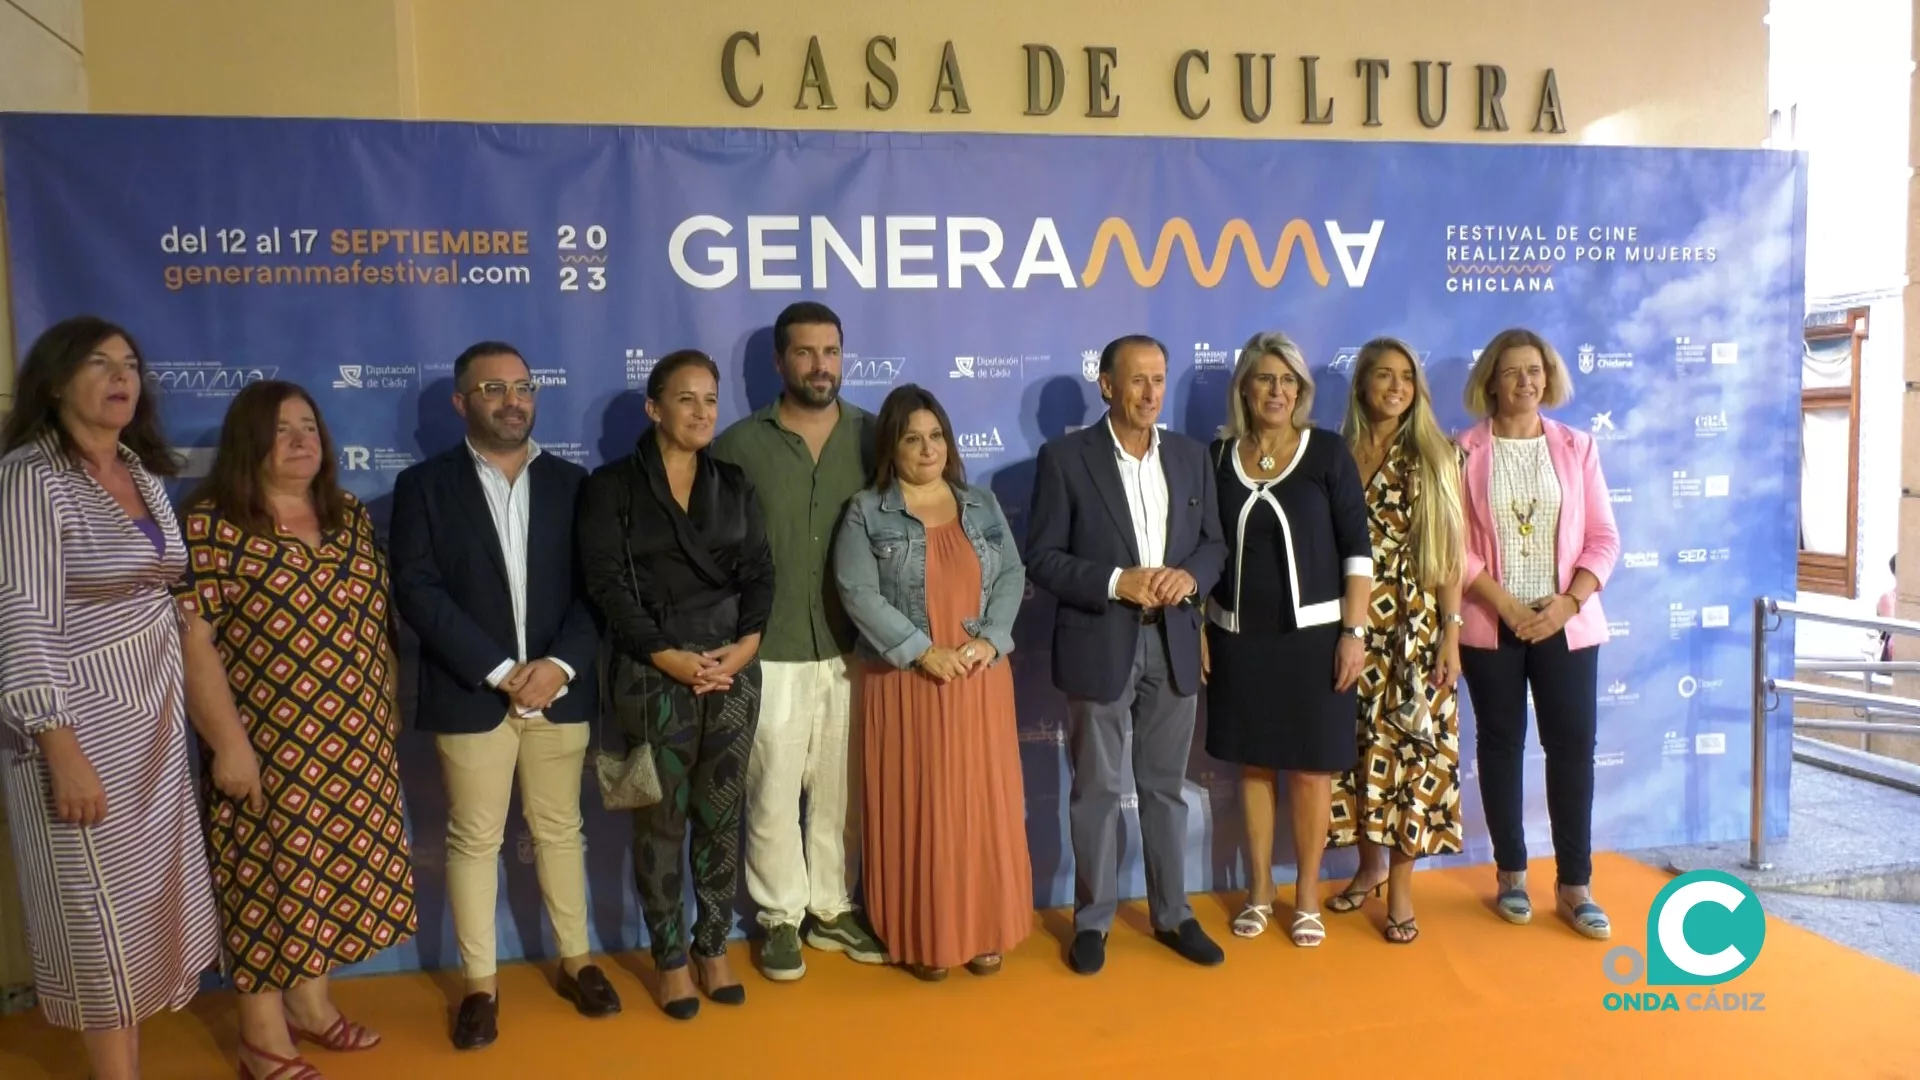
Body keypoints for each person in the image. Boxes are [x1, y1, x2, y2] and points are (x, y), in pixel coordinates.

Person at [0, 317, 257, 1080]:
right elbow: (22, 616)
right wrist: (59, 745)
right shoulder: (27, 478)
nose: (121, 376)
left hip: (149, 722)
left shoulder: (142, 472)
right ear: (52, 381)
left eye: (130, 364)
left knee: (144, 911)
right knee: (94, 917)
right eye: (97, 363)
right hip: (79, 731)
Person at [176, 380, 418, 1078]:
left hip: (357, 740)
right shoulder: (215, 524)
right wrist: (228, 745)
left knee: (327, 880)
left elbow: (377, 621)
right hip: (270, 747)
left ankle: (312, 1009)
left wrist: (388, 700)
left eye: (309, 425)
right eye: (282, 429)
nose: (301, 439)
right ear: (250, 441)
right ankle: (261, 1037)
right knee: (269, 885)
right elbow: (194, 647)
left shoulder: (342, 514)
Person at [388, 341, 618, 1050]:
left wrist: (557, 666)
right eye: (493, 388)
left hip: (560, 692)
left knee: (560, 831)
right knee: (474, 839)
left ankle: (577, 961)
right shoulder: (425, 487)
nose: (512, 399)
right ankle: (480, 985)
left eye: (522, 386)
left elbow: (597, 590)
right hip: (470, 694)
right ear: (463, 402)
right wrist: (499, 670)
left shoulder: (575, 484)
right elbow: (418, 590)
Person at [1025, 333, 1227, 976]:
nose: (1151, 393)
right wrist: (1118, 581)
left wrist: (1189, 577)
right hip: (1100, 639)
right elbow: (1044, 558)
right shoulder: (1065, 458)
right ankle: (1093, 920)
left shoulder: (1195, 458)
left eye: (1160, 380)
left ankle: (1173, 914)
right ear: (1106, 385)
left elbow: (1214, 545)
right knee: (1097, 791)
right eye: (1137, 380)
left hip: (1172, 639)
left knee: (1166, 790)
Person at [579, 349, 773, 1018]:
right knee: (659, 822)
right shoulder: (610, 487)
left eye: (711, 400)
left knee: (721, 818)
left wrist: (744, 648)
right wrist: (667, 657)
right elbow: (605, 584)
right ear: (655, 408)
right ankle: (668, 958)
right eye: (686, 399)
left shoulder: (734, 483)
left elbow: (761, 574)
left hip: (731, 670)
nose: (701, 412)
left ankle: (712, 945)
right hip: (649, 672)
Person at [833, 384, 1032, 981]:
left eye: (936, 436)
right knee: (922, 806)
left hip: (979, 678)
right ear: (891, 449)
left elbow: (1013, 574)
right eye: (912, 439)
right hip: (908, 684)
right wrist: (922, 653)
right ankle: (924, 933)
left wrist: (990, 640)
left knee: (980, 806)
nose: (927, 449)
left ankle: (985, 928)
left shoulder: (982, 503)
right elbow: (856, 591)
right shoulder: (866, 511)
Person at [712, 302, 885, 980]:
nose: (821, 366)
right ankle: (780, 918)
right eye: (807, 353)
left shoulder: (876, 438)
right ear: (782, 362)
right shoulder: (738, 447)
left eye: (832, 352)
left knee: (844, 791)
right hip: (769, 645)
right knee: (773, 791)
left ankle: (832, 908)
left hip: (854, 645)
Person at [1200, 331, 1371, 949]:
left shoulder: (1326, 452)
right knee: (1253, 764)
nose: (1277, 391)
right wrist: (1199, 623)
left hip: (1317, 640)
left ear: (1301, 390)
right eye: (1265, 379)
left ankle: (1303, 895)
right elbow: (1200, 551)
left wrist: (1353, 632)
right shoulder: (1217, 458)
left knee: (1308, 771)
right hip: (1238, 639)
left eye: (1288, 381)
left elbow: (1358, 550)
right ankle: (1258, 892)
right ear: (1244, 387)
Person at [1456, 328, 1620, 940]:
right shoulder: (1462, 450)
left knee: (1572, 749)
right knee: (1500, 748)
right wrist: (1503, 604)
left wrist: (1567, 603)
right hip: (1490, 621)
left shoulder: (1578, 447)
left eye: (1536, 370)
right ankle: (1511, 876)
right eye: (1513, 371)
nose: (1526, 381)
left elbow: (1604, 538)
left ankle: (1575, 885)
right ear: (1491, 381)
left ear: (1547, 378)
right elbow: (1455, 546)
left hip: (1565, 624)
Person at [1326, 337, 1467, 945]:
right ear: (1361, 385)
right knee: (1356, 756)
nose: (1395, 387)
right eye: (1383, 376)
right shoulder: (1334, 452)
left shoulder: (1437, 454)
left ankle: (1402, 892)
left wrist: (1451, 635)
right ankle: (1368, 866)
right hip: (1348, 626)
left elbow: (1450, 555)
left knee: (1409, 760)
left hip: (1413, 632)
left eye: (1406, 378)